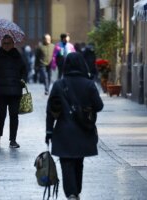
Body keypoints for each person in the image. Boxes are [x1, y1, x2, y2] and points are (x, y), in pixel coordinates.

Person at [45, 52, 104, 200]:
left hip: (63, 131)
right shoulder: (89, 84)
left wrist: (49, 131)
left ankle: (71, 193)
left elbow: (50, 110)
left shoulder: (59, 85)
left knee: (66, 163)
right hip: (83, 130)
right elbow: (99, 105)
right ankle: (76, 190)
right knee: (79, 162)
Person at [0, 35, 27, 148]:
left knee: (14, 116)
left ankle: (12, 140)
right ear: (1, 44)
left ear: (13, 44)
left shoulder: (18, 56)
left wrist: (23, 80)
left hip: (15, 91)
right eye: (4, 43)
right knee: (1, 115)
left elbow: (24, 70)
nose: (7, 45)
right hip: (1, 92)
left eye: (9, 43)